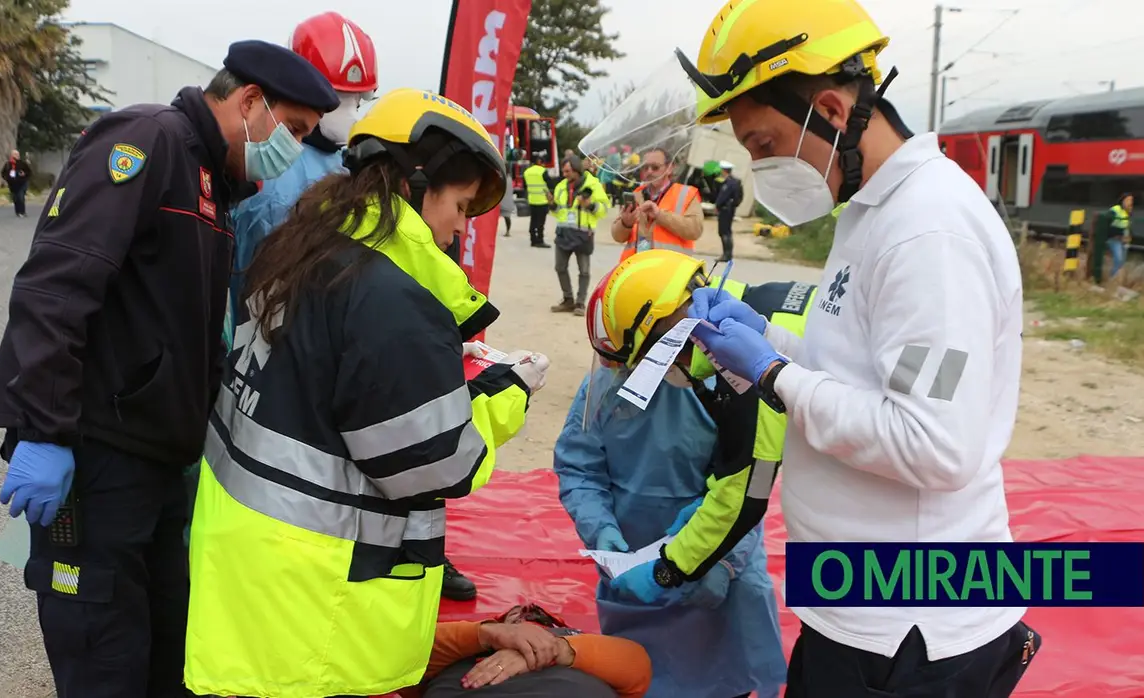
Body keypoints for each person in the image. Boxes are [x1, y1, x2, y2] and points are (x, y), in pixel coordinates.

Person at [662, 1, 1041, 695]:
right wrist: (762, 335)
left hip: (910, 633)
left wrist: (773, 373)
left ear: (832, 111)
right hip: (866, 608)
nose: (756, 166)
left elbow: (934, 443)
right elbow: (864, 373)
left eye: (763, 143)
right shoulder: (871, 210)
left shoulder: (928, 232)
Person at [0, 41, 337, 698]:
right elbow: (57, 286)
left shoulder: (211, 181)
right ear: (250, 102)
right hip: (100, 457)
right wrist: (44, 430)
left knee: (167, 654)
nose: (294, 150)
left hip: (161, 467)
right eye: (294, 131)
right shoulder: (148, 141)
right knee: (104, 659)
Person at [183, 87, 550, 698]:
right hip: (315, 600)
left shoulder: (306, 250)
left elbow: (321, 386)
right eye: (461, 205)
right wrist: (506, 390)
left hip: (248, 569)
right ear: (414, 182)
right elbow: (435, 465)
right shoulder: (392, 298)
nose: (462, 227)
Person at [558, 249, 803, 698]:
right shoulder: (607, 385)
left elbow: (746, 489)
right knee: (636, 678)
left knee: (721, 682)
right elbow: (579, 468)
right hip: (632, 577)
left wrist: (721, 565)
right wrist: (603, 534)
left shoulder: (734, 383)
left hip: (720, 586)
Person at [228, 12, 378, 321]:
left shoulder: (349, 162)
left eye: (357, 102)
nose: (350, 114)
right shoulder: (271, 170)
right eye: (340, 100)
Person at [400, 604, 652, 698]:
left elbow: (638, 668)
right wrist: (484, 633)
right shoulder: (462, 650)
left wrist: (557, 649)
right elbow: (394, 657)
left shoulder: (583, 649)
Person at [610, 147, 702, 262]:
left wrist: (660, 215)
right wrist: (625, 223)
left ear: (670, 168)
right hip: (635, 269)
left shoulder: (686, 194)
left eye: (655, 167)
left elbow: (695, 230)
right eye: (645, 167)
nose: (649, 171)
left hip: (672, 270)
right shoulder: (636, 195)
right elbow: (617, 236)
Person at [549, 156, 609, 317]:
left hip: (583, 234)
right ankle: (568, 299)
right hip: (563, 233)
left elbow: (604, 208)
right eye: (563, 171)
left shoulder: (593, 184)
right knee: (559, 267)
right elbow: (558, 211)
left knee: (584, 271)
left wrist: (590, 205)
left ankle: (580, 302)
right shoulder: (561, 186)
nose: (565, 173)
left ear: (576, 169)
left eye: (567, 171)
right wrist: (552, 205)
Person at [714, 161, 743, 262]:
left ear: (724, 170)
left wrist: (717, 205)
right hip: (730, 209)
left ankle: (726, 255)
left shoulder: (729, 183)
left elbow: (722, 197)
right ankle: (728, 254)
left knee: (724, 231)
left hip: (725, 210)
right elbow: (739, 197)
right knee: (727, 231)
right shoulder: (735, 181)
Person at [523, 152, 552, 248]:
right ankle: (540, 240)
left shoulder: (527, 172)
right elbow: (550, 184)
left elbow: (524, 186)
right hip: (542, 201)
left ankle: (533, 240)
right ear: (540, 162)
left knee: (533, 221)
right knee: (540, 223)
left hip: (532, 200)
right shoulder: (542, 171)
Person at [1106, 193, 1133, 279]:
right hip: (1114, 238)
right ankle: (1112, 278)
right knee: (1118, 258)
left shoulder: (1128, 211)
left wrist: (1128, 236)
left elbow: (1127, 225)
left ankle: (1116, 278)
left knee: (1121, 262)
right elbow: (1107, 222)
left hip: (1123, 239)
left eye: (1131, 200)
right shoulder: (1115, 209)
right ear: (1122, 200)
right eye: (1128, 200)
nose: (1130, 202)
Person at [1, 149, 32, 217]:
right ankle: (18, 212)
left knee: (21, 197)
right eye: (15, 154)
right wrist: (7, 178)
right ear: (12, 155)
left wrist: (24, 174)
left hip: (22, 183)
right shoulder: (8, 164)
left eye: (18, 154)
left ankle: (22, 212)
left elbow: (29, 172)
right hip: (13, 184)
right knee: (15, 198)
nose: (17, 156)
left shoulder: (22, 163)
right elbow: (3, 173)